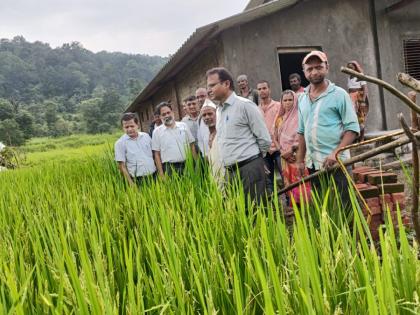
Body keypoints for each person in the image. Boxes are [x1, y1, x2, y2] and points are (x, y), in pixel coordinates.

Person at [296, 51, 360, 209]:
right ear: (304, 72)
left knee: (345, 206)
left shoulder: (339, 95)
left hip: (337, 164)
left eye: (318, 67)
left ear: (327, 67)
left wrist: (335, 153)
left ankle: (351, 233)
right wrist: (299, 161)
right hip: (314, 165)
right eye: (309, 69)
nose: (314, 72)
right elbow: (302, 132)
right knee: (322, 207)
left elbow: (352, 129)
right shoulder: (302, 98)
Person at [207, 67, 271, 204]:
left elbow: (264, 139)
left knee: (256, 213)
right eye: (208, 86)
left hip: (249, 169)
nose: (209, 90)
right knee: (240, 214)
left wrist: (257, 161)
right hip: (230, 172)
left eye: (213, 85)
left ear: (226, 84)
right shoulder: (219, 110)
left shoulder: (245, 106)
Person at [275, 90, 310, 205]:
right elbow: (275, 139)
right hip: (285, 158)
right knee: (289, 183)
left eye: (290, 100)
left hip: (299, 156)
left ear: (295, 101)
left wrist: (292, 151)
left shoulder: (301, 117)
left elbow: (304, 137)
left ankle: (306, 207)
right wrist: (282, 152)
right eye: (285, 100)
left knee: (301, 181)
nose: (288, 103)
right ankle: (293, 207)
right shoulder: (279, 119)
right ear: (281, 102)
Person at [152, 102, 197, 176]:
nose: (167, 115)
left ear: (172, 112)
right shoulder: (157, 132)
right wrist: (161, 173)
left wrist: (196, 164)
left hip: (188, 164)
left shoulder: (183, 126)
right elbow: (156, 154)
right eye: (163, 114)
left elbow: (192, 145)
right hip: (169, 168)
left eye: (168, 112)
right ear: (160, 116)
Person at [115, 112, 156, 186]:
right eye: (126, 127)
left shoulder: (146, 136)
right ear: (122, 128)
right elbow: (122, 166)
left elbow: (154, 155)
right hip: (137, 180)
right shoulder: (120, 143)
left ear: (137, 125)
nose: (130, 129)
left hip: (154, 176)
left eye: (132, 126)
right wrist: (131, 183)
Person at [256, 80, 282, 194]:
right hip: (264, 149)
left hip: (279, 147)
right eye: (259, 89)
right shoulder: (255, 109)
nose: (262, 91)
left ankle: (290, 202)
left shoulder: (279, 106)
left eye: (264, 88)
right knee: (268, 179)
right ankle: (273, 205)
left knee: (285, 175)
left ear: (269, 89)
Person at [200, 99, 225, 186]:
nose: (207, 117)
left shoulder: (223, 132)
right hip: (214, 172)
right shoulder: (206, 135)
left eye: (210, 114)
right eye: (204, 115)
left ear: (216, 114)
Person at [347, 61, 369, 141]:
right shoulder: (349, 77)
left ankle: (362, 138)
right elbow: (349, 89)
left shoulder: (360, 76)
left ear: (355, 67)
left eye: (351, 67)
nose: (350, 69)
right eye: (348, 68)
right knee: (353, 117)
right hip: (351, 98)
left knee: (360, 117)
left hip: (359, 97)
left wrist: (363, 101)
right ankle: (356, 136)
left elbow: (365, 89)